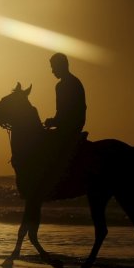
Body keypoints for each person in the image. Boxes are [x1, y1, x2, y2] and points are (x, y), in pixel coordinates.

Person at [43, 53, 86, 187]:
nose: (52, 71)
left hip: (70, 126)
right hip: (75, 123)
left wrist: (54, 122)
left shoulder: (63, 85)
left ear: (61, 66)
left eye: (54, 67)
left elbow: (64, 111)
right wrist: (55, 121)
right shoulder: (75, 81)